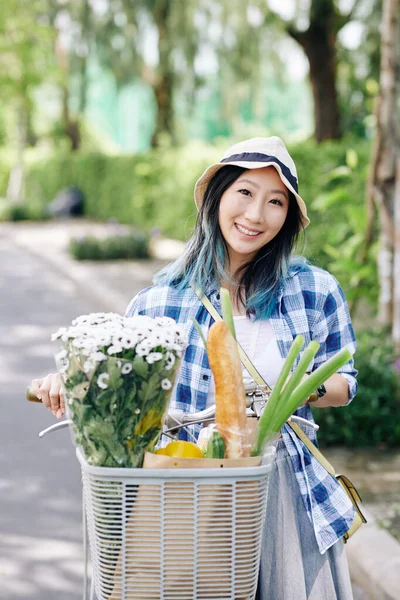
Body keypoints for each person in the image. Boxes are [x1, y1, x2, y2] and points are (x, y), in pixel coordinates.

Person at [31, 137, 358, 600]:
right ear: (218, 197)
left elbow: (346, 383)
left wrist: (302, 390)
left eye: (275, 201)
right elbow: (117, 371)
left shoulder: (314, 289)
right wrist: (67, 380)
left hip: (280, 484)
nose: (256, 214)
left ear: (288, 217)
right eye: (244, 192)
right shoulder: (161, 298)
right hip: (187, 486)